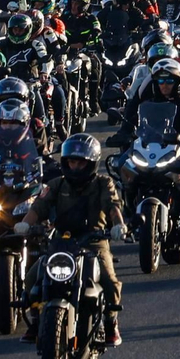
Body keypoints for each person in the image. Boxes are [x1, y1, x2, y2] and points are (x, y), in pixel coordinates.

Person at [16, 133, 124, 347]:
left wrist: (119, 225)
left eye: (80, 162)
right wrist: (26, 224)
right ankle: (37, 320)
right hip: (61, 241)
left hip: (94, 242)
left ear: (91, 163)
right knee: (32, 279)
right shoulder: (56, 184)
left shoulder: (103, 183)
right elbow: (39, 206)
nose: (75, 167)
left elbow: (113, 207)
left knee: (109, 280)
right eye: (71, 162)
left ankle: (111, 322)